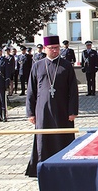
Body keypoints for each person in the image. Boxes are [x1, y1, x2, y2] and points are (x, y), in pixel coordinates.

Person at [25, 35, 79, 177]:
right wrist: (30, 113)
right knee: (43, 139)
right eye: (51, 48)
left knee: (64, 137)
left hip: (63, 109)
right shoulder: (37, 65)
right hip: (42, 110)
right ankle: (43, 167)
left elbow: (73, 90)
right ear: (44, 49)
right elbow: (31, 90)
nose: (55, 51)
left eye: (57, 48)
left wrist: (73, 111)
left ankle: (65, 166)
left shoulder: (66, 65)